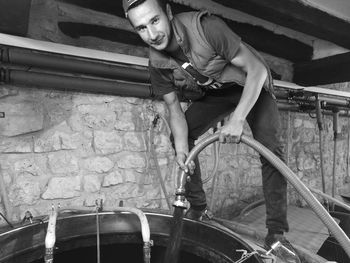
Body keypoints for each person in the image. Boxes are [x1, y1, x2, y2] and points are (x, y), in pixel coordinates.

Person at [123, 0, 300, 260]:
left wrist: (238, 118)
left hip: (250, 85)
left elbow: (257, 69)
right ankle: (200, 209)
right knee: (180, 138)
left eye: (155, 21)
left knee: (271, 150)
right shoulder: (157, 62)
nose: (152, 34)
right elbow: (173, 108)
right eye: (141, 28)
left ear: (168, 13)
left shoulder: (206, 27)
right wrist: (182, 150)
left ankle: (277, 235)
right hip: (217, 93)